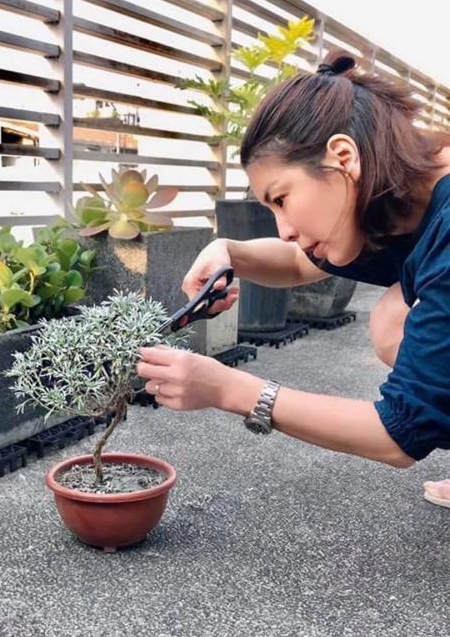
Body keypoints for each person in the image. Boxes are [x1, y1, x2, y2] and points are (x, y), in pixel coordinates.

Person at [137, 52, 450, 508]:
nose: (282, 229)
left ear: (342, 156)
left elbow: (397, 434)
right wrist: (231, 253)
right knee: (392, 316)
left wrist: (229, 388)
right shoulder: (399, 190)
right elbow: (303, 262)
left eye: (281, 199)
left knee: (394, 321)